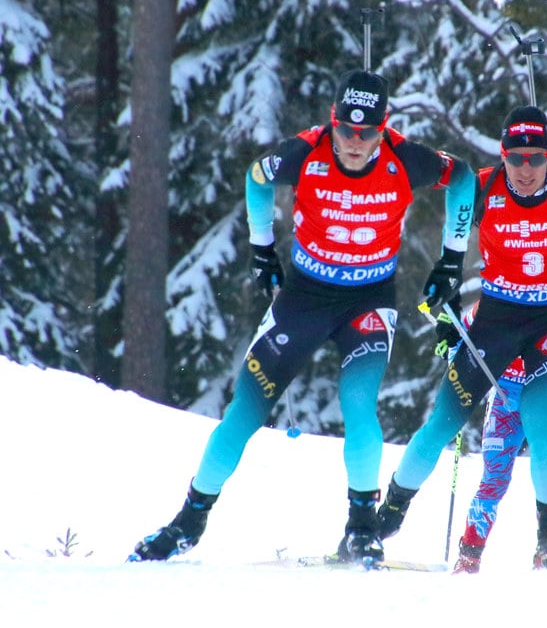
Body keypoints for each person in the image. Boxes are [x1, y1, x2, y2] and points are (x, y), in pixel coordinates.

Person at [130, 70, 476, 565]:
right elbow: (257, 177)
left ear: (385, 128)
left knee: (359, 408)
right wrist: (261, 248)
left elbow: (461, 178)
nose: (355, 143)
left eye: (368, 133)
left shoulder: (406, 158)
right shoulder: (305, 151)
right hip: (303, 297)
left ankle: (361, 527)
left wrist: (450, 259)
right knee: (244, 411)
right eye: (346, 131)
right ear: (332, 122)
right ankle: (188, 522)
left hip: (369, 301)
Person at [375, 106, 547, 572]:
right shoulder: (487, 186)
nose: (525, 169)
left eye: (535, 158)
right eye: (516, 158)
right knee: (441, 425)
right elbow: (456, 209)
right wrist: (448, 271)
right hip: (494, 322)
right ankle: (386, 515)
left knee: (540, 427)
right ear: (503, 154)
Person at [435, 302, 547, 574]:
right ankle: (469, 554)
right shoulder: (498, 297)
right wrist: (452, 346)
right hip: (507, 393)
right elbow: (462, 333)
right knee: (495, 475)